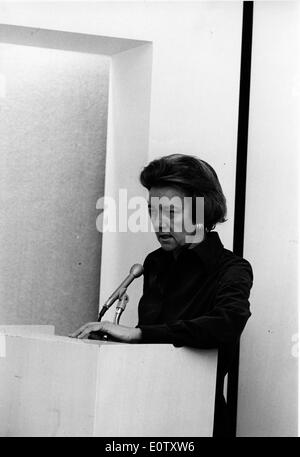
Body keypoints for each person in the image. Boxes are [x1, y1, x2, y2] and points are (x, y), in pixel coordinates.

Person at [70, 154, 253, 437]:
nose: (158, 223)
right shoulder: (155, 263)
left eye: (170, 212)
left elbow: (225, 325)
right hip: (146, 414)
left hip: (200, 419)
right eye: (153, 211)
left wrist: (138, 334)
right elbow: (155, 350)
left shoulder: (232, 269)